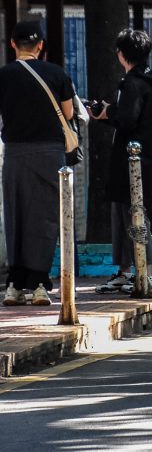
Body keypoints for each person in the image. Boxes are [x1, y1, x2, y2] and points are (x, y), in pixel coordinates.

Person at [0, 21, 75, 307]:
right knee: (44, 217)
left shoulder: (4, 75)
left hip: (16, 154)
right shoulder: (56, 73)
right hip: (50, 154)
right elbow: (67, 113)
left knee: (16, 215)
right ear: (41, 46)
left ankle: (14, 285)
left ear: (12, 44)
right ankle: (40, 284)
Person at [93, 29, 152, 294]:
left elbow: (128, 119)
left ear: (122, 55)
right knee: (126, 214)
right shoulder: (150, 81)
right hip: (143, 158)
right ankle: (126, 271)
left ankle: (144, 272)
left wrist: (107, 112)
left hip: (131, 161)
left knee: (133, 214)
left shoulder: (132, 84)